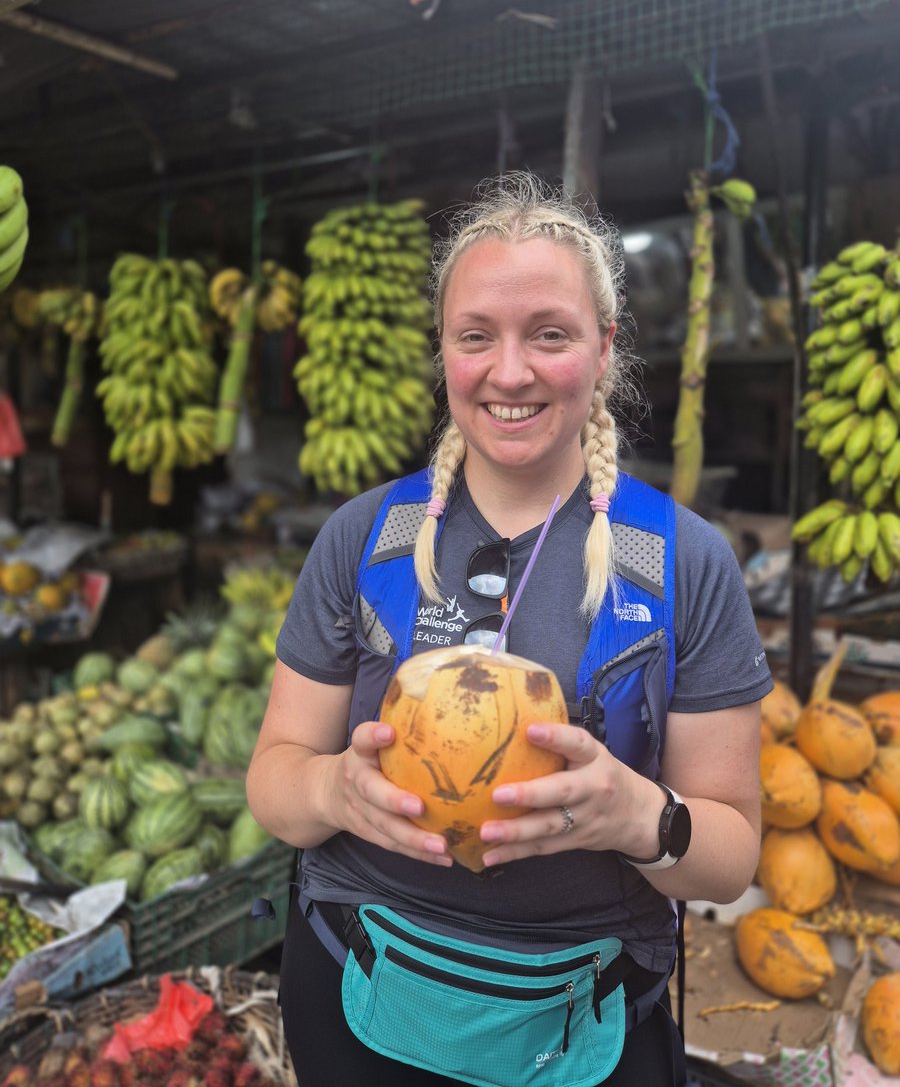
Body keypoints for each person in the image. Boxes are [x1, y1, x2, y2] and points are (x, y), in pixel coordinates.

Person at [246, 173, 772, 1087]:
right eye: (476, 337)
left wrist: (636, 816)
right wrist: (337, 791)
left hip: (581, 1014)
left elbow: (729, 860)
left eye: (551, 335)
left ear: (604, 349)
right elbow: (274, 781)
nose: (511, 371)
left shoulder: (680, 560)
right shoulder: (365, 539)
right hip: (361, 990)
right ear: (444, 351)